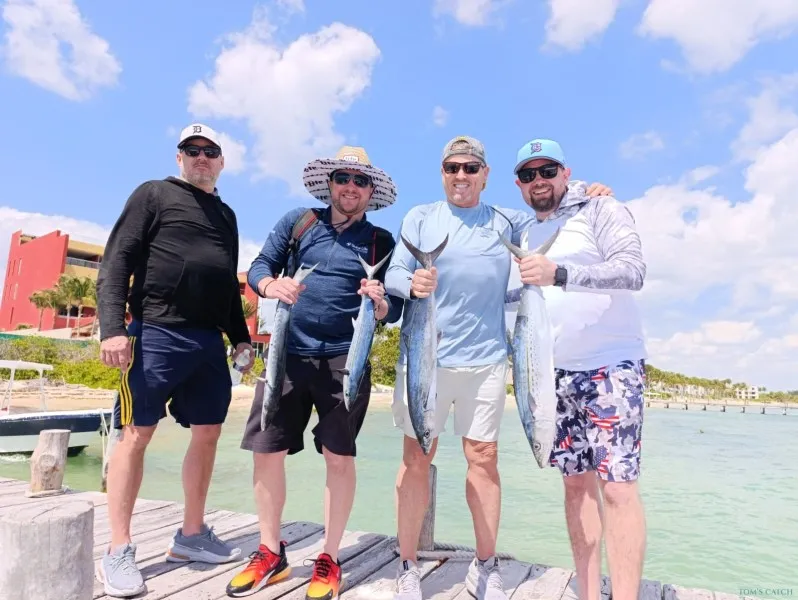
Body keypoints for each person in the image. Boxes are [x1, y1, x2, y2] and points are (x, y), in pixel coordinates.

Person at [384, 136, 613, 600]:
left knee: (484, 459)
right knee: (416, 458)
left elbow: (551, 210)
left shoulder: (508, 222)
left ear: (485, 175)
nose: (461, 175)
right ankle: (407, 564)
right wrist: (412, 282)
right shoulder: (420, 218)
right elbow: (392, 273)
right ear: (442, 173)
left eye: (471, 168)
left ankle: (485, 565)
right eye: (452, 167)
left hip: (486, 360)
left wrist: (588, 192)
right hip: (425, 358)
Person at [225, 146, 404, 599]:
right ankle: (270, 551)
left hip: (347, 359)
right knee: (266, 450)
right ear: (330, 183)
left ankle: (329, 555)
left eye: (360, 181)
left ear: (371, 191)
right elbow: (259, 267)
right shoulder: (299, 222)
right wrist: (271, 284)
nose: (351, 187)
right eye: (343, 177)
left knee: (339, 457)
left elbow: (396, 306)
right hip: (286, 354)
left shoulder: (381, 242)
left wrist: (381, 303)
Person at [95, 123, 255, 598]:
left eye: (210, 151)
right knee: (136, 434)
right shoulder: (154, 193)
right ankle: (118, 548)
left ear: (222, 161)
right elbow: (116, 261)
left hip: (207, 343)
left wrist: (241, 340)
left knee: (208, 433)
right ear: (179, 156)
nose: (202, 157)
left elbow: (227, 285)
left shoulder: (226, 215)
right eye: (192, 149)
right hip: (155, 333)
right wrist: (112, 329)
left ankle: (191, 535)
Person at [508, 139, 647, 600]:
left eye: (548, 170)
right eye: (528, 174)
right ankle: (588, 592)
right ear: (518, 184)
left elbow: (632, 270)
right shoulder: (524, 233)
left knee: (619, 488)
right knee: (575, 488)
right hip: (552, 378)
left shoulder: (601, 209)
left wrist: (560, 273)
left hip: (611, 368)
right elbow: (520, 298)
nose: (539, 181)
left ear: (566, 173)